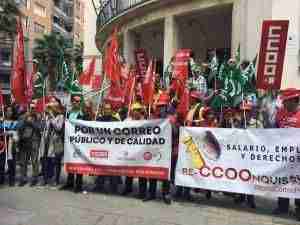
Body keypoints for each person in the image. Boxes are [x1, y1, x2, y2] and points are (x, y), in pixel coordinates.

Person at [273, 89, 300, 220]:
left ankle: (298, 209)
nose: (284, 104)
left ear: (294, 101)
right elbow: (275, 131)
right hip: (283, 157)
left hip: (298, 157)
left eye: (286, 102)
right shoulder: (280, 114)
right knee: (283, 180)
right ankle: (282, 206)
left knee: (297, 182)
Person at [94, 103, 121, 194]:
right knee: (101, 167)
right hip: (102, 147)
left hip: (113, 148)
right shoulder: (99, 120)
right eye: (105, 109)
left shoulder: (116, 121)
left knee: (112, 168)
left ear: (112, 110)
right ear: (103, 110)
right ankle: (99, 186)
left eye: (108, 109)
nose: (107, 110)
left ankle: (113, 188)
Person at [60, 95, 85, 193]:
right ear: (72, 102)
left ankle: (79, 185)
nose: (77, 103)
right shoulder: (68, 113)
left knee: (79, 162)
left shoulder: (82, 114)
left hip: (79, 141)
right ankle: (69, 182)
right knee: (70, 161)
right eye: (75, 101)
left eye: (79, 101)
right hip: (69, 142)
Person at [42, 99, 65, 186]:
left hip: (57, 141)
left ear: (58, 105)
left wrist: (51, 116)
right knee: (47, 160)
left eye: (54, 102)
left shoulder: (61, 116)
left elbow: (58, 128)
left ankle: (56, 179)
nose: (52, 104)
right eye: (51, 102)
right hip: (48, 140)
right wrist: (46, 116)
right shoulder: (48, 116)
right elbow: (45, 127)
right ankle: (47, 178)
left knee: (56, 161)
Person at [18, 112, 42, 186]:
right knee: (23, 162)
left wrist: (31, 123)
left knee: (34, 161)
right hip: (24, 143)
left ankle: (34, 178)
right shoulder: (23, 120)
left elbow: (39, 129)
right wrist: (25, 121)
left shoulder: (37, 121)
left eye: (30, 116)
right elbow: (19, 128)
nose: (29, 117)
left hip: (34, 144)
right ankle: (23, 178)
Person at [5, 106, 19, 186]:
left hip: (12, 145)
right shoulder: (2, 121)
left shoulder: (15, 122)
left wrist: (11, 133)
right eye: (7, 111)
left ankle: (12, 180)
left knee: (12, 163)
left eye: (11, 111)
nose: (9, 112)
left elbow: (17, 134)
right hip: (3, 145)